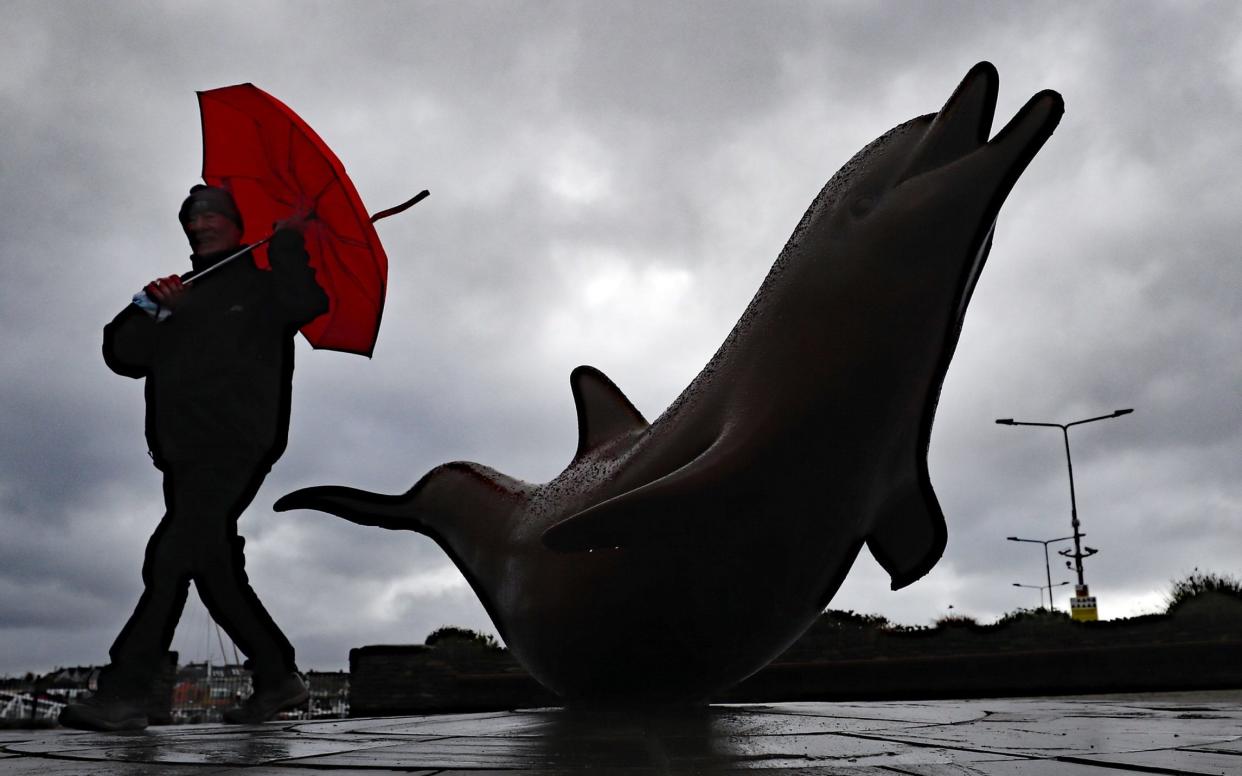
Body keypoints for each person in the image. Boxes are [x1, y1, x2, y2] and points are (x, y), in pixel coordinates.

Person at [60, 185, 329, 731]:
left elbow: (307, 303)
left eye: (213, 216)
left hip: (236, 446)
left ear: (236, 223)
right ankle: (278, 678)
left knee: (168, 557)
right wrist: (156, 311)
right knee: (212, 568)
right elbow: (121, 354)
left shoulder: (263, 287)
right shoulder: (172, 291)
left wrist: (288, 244)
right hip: (181, 454)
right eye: (193, 218)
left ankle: (124, 691)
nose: (201, 225)